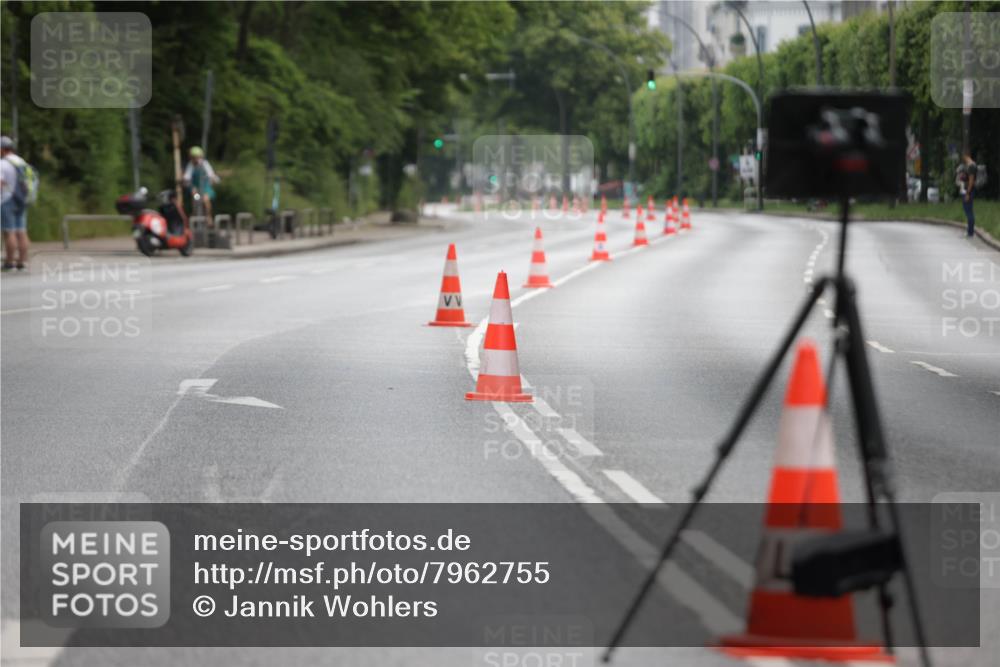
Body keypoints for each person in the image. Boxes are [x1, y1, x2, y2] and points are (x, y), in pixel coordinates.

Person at [1, 136, 30, 272]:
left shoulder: (3, 164)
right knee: (21, 231)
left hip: (7, 199)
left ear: (2, 149)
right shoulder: (21, 162)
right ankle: (22, 262)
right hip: (22, 200)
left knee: (9, 232)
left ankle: (9, 262)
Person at [182, 146, 221, 220]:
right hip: (196, 187)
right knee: (195, 197)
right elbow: (187, 177)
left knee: (206, 199)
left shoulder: (204, 164)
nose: (195, 159)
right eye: (194, 157)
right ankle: (195, 213)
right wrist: (186, 182)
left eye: (197, 157)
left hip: (205, 187)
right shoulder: (190, 165)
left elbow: (211, 174)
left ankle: (209, 217)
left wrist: (214, 180)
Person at [957, 152, 977, 238]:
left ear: (966, 155)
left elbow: (971, 181)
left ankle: (970, 232)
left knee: (969, 211)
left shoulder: (971, 166)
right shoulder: (970, 165)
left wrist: (968, 193)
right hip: (966, 191)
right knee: (968, 211)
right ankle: (970, 231)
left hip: (968, 192)